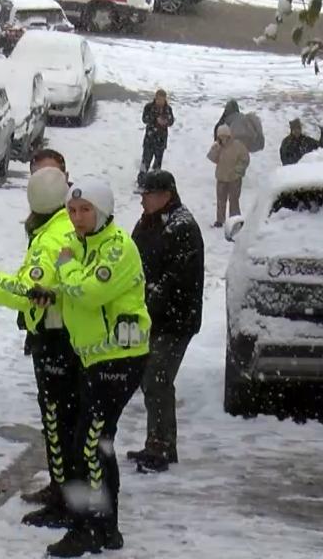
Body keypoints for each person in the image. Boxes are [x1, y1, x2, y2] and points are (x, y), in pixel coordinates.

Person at [0, 162, 80, 528]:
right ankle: (65, 490)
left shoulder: (48, 240)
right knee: (67, 421)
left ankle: (64, 498)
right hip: (71, 338)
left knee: (58, 421)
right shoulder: (66, 228)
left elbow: (23, 293)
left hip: (56, 339)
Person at [39, 178, 150, 557]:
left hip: (119, 359)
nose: (77, 217)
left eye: (85, 210)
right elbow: (71, 289)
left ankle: (94, 528)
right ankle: (102, 526)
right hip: (95, 358)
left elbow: (89, 292)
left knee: (89, 444)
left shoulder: (118, 247)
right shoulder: (84, 245)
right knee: (93, 444)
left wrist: (67, 272)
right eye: (72, 210)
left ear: (102, 211)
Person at [125, 170, 204, 474]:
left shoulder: (182, 227)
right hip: (152, 317)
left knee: (157, 378)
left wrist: (150, 301)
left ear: (165, 195)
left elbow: (177, 280)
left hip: (175, 320)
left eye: (147, 194)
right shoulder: (149, 222)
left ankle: (160, 446)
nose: (143, 200)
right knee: (151, 379)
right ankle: (158, 442)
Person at [207, 124, 250, 228]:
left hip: (234, 178)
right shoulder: (218, 146)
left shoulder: (238, 145)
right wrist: (214, 150)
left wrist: (237, 171)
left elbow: (245, 159)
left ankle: (234, 220)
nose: (221, 138)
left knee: (234, 200)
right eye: (219, 136)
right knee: (221, 201)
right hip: (221, 177)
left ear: (228, 135)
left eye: (223, 136)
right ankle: (220, 220)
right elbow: (213, 159)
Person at [138, 89, 175, 181]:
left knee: (157, 164)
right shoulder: (149, 107)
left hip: (161, 140)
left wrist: (166, 121)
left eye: (162, 99)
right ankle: (141, 181)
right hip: (150, 139)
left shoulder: (168, 109)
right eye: (158, 99)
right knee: (145, 161)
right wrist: (155, 119)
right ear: (155, 97)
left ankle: (154, 183)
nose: (160, 101)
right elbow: (144, 119)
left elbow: (171, 122)